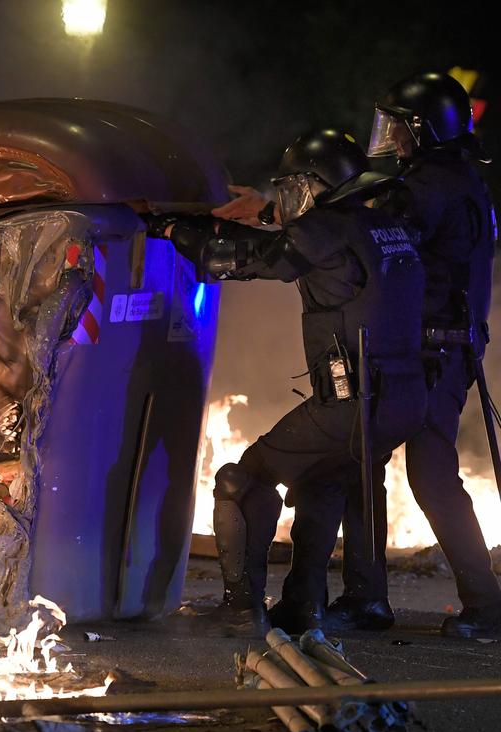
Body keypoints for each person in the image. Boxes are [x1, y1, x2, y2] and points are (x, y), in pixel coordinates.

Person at [148, 128, 428, 634]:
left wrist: (175, 231)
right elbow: (294, 243)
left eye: (296, 186)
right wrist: (254, 217)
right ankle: (303, 606)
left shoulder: (326, 228)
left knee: (243, 478)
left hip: (350, 401)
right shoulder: (384, 224)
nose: (290, 198)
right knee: (322, 481)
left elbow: (237, 260)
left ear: (318, 185)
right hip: (403, 398)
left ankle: (240, 610)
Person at [329, 71, 501, 638]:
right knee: (423, 474)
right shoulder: (458, 178)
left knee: (370, 463)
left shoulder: (428, 185)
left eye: (401, 127)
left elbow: (380, 240)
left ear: (425, 129)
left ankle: (370, 599)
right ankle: (479, 601)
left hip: (426, 353)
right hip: (446, 350)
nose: (394, 138)